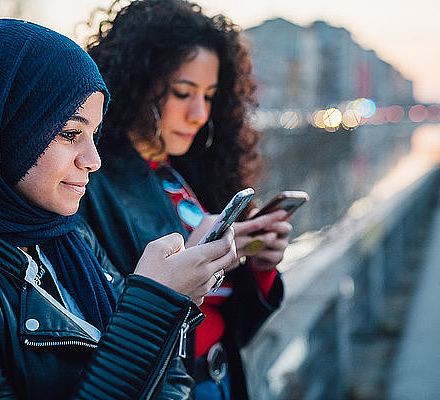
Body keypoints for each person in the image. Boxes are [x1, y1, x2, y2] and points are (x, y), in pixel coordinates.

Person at [0, 19, 238, 400]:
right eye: (70, 134)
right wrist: (154, 307)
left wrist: (163, 305)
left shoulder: (66, 232)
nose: (93, 160)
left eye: (94, 135)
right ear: (2, 130)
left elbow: (172, 383)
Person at [79, 1, 293, 399]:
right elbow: (95, 327)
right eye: (182, 92)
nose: (198, 113)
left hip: (221, 378)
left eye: (209, 96)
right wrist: (186, 268)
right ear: (134, 83)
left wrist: (259, 264)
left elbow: (232, 326)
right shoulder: (91, 182)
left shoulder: (192, 172)